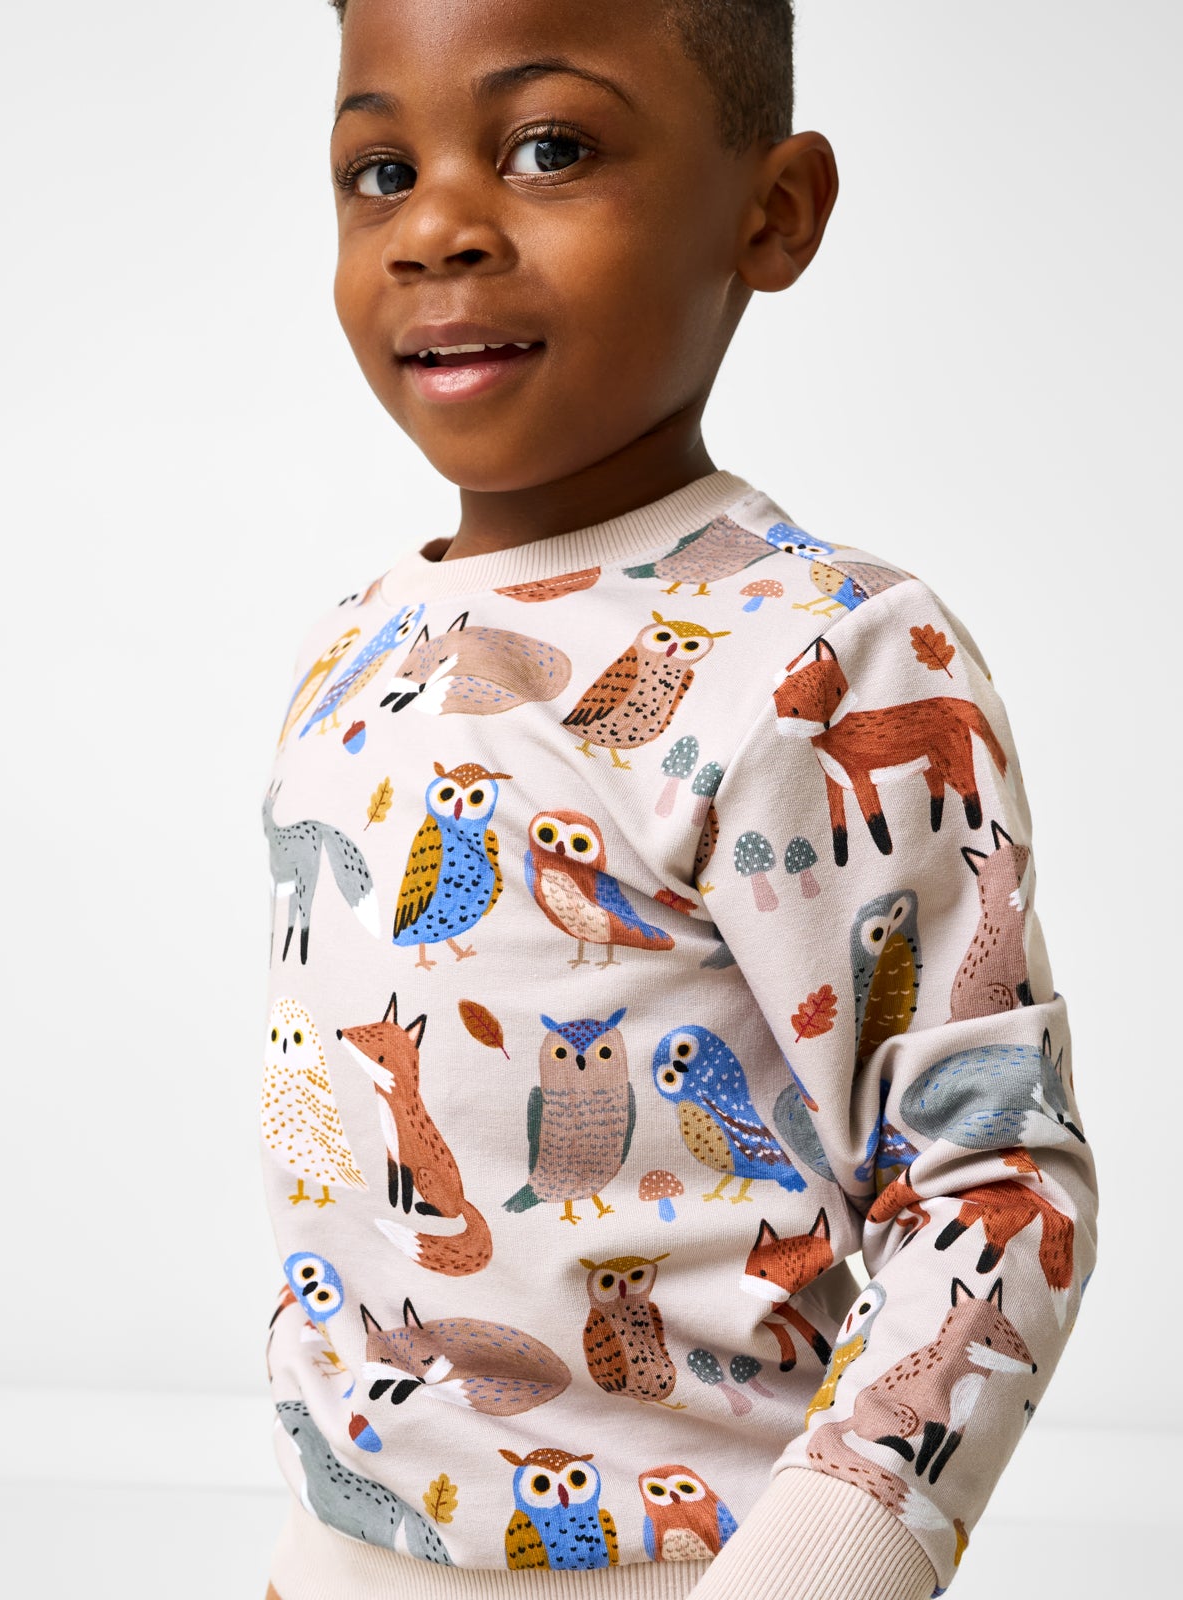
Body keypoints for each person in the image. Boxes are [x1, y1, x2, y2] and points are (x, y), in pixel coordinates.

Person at [260, 3, 1098, 1597]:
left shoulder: (819, 653)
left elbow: (990, 1186)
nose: (436, 227)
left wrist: (818, 1569)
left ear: (771, 213)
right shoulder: (356, 649)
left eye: (548, 147)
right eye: (380, 171)